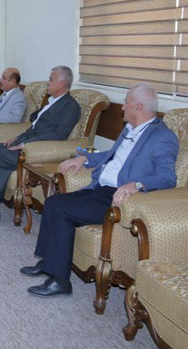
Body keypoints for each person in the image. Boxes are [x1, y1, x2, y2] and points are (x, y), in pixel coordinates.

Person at [21, 83, 178, 298]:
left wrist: (137, 184)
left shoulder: (163, 137)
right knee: (54, 201)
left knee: (61, 209)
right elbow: (111, 156)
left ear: (138, 107)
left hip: (117, 199)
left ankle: (60, 282)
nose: (122, 107)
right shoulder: (130, 129)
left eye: (126, 103)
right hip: (100, 188)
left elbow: (167, 177)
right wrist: (84, 159)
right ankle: (49, 263)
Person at [0, 66, 81, 222]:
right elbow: (34, 127)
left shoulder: (70, 106)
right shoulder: (51, 102)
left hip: (35, 150)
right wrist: (17, 138)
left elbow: (58, 135)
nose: (47, 82)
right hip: (25, 141)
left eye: (51, 79)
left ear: (61, 83)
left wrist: (25, 145)